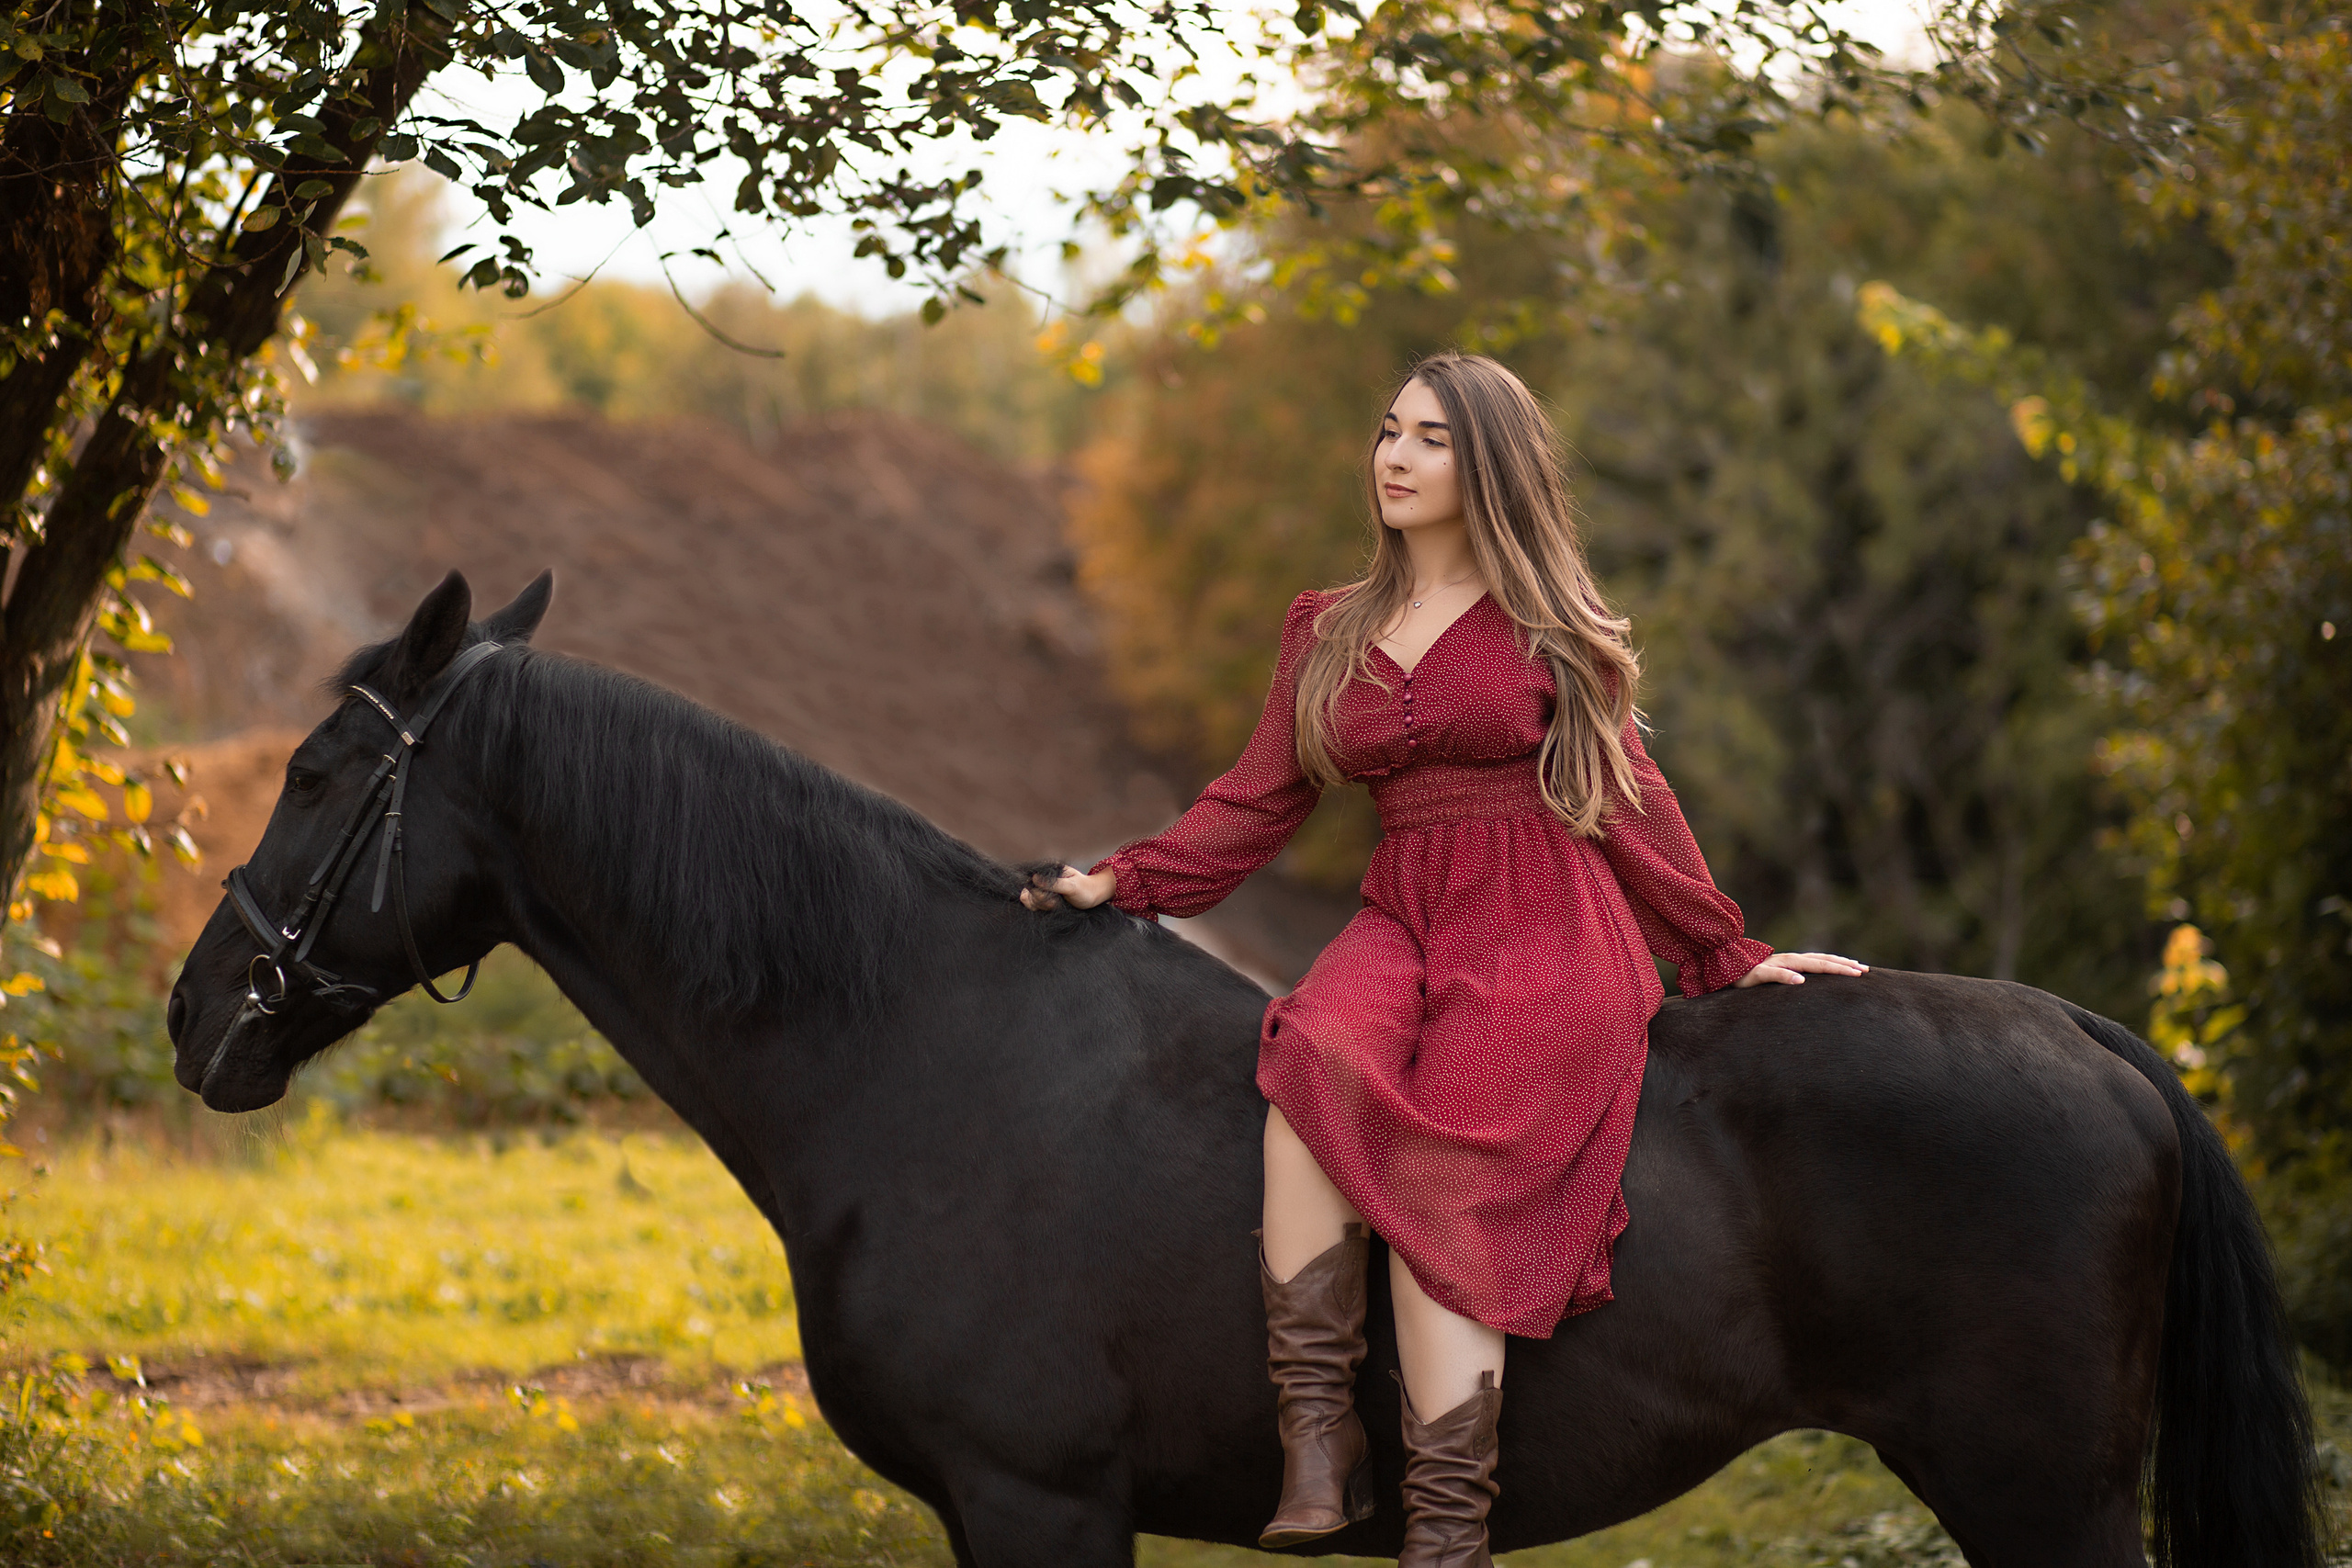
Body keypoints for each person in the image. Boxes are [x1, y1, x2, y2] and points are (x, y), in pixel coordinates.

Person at [1023, 352, 1865, 1566]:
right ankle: (1318, 1437)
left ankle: (1448, 1537)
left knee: (1445, 1174)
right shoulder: (1328, 626)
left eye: (1431, 441)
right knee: (1308, 1055)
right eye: (1388, 433)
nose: (1396, 459)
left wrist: (1722, 952)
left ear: (1490, 471)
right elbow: (1260, 800)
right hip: (1406, 914)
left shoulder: (1548, 626)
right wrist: (1128, 879)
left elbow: (1627, 796)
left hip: (1548, 925)